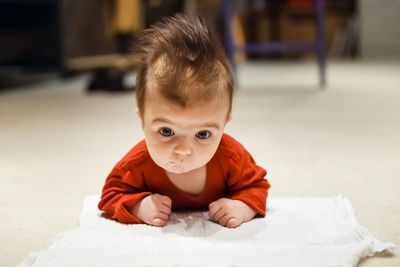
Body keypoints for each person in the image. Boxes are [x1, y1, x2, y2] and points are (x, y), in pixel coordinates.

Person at [98, 14, 270, 228]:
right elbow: (110, 196)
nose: (183, 150)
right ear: (142, 120)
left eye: (203, 134)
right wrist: (139, 206)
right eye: (166, 131)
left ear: (225, 123)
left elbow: (257, 186)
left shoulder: (231, 157)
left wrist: (241, 207)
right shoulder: (137, 163)